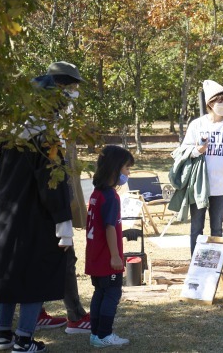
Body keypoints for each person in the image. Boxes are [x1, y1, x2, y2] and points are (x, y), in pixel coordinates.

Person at [0, 64, 78, 352]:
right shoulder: (46, 139)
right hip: (35, 221)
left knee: (9, 277)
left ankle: (3, 335)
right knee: (35, 279)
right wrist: (63, 220)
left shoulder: (10, 137)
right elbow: (52, 184)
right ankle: (24, 339)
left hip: (4, 218)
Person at [32, 62, 92, 335]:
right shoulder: (44, 123)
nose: (75, 93)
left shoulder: (57, 119)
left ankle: (36, 312)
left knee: (47, 258)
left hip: (54, 202)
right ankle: (76, 316)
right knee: (65, 258)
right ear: (60, 86)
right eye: (72, 86)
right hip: (49, 205)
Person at [182, 80, 223, 256]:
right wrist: (197, 150)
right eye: (219, 101)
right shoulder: (197, 125)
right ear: (210, 103)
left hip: (220, 185)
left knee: (217, 228)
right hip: (199, 185)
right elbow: (184, 150)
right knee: (196, 227)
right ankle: (196, 263)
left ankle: (215, 265)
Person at [85, 145, 135, 348]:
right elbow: (109, 227)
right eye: (126, 168)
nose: (128, 173)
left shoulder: (96, 192)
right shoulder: (111, 196)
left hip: (95, 255)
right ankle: (104, 334)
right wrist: (115, 256)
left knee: (100, 293)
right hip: (106, 257)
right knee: (112, 293)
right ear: (115, 169)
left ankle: (96, 334)